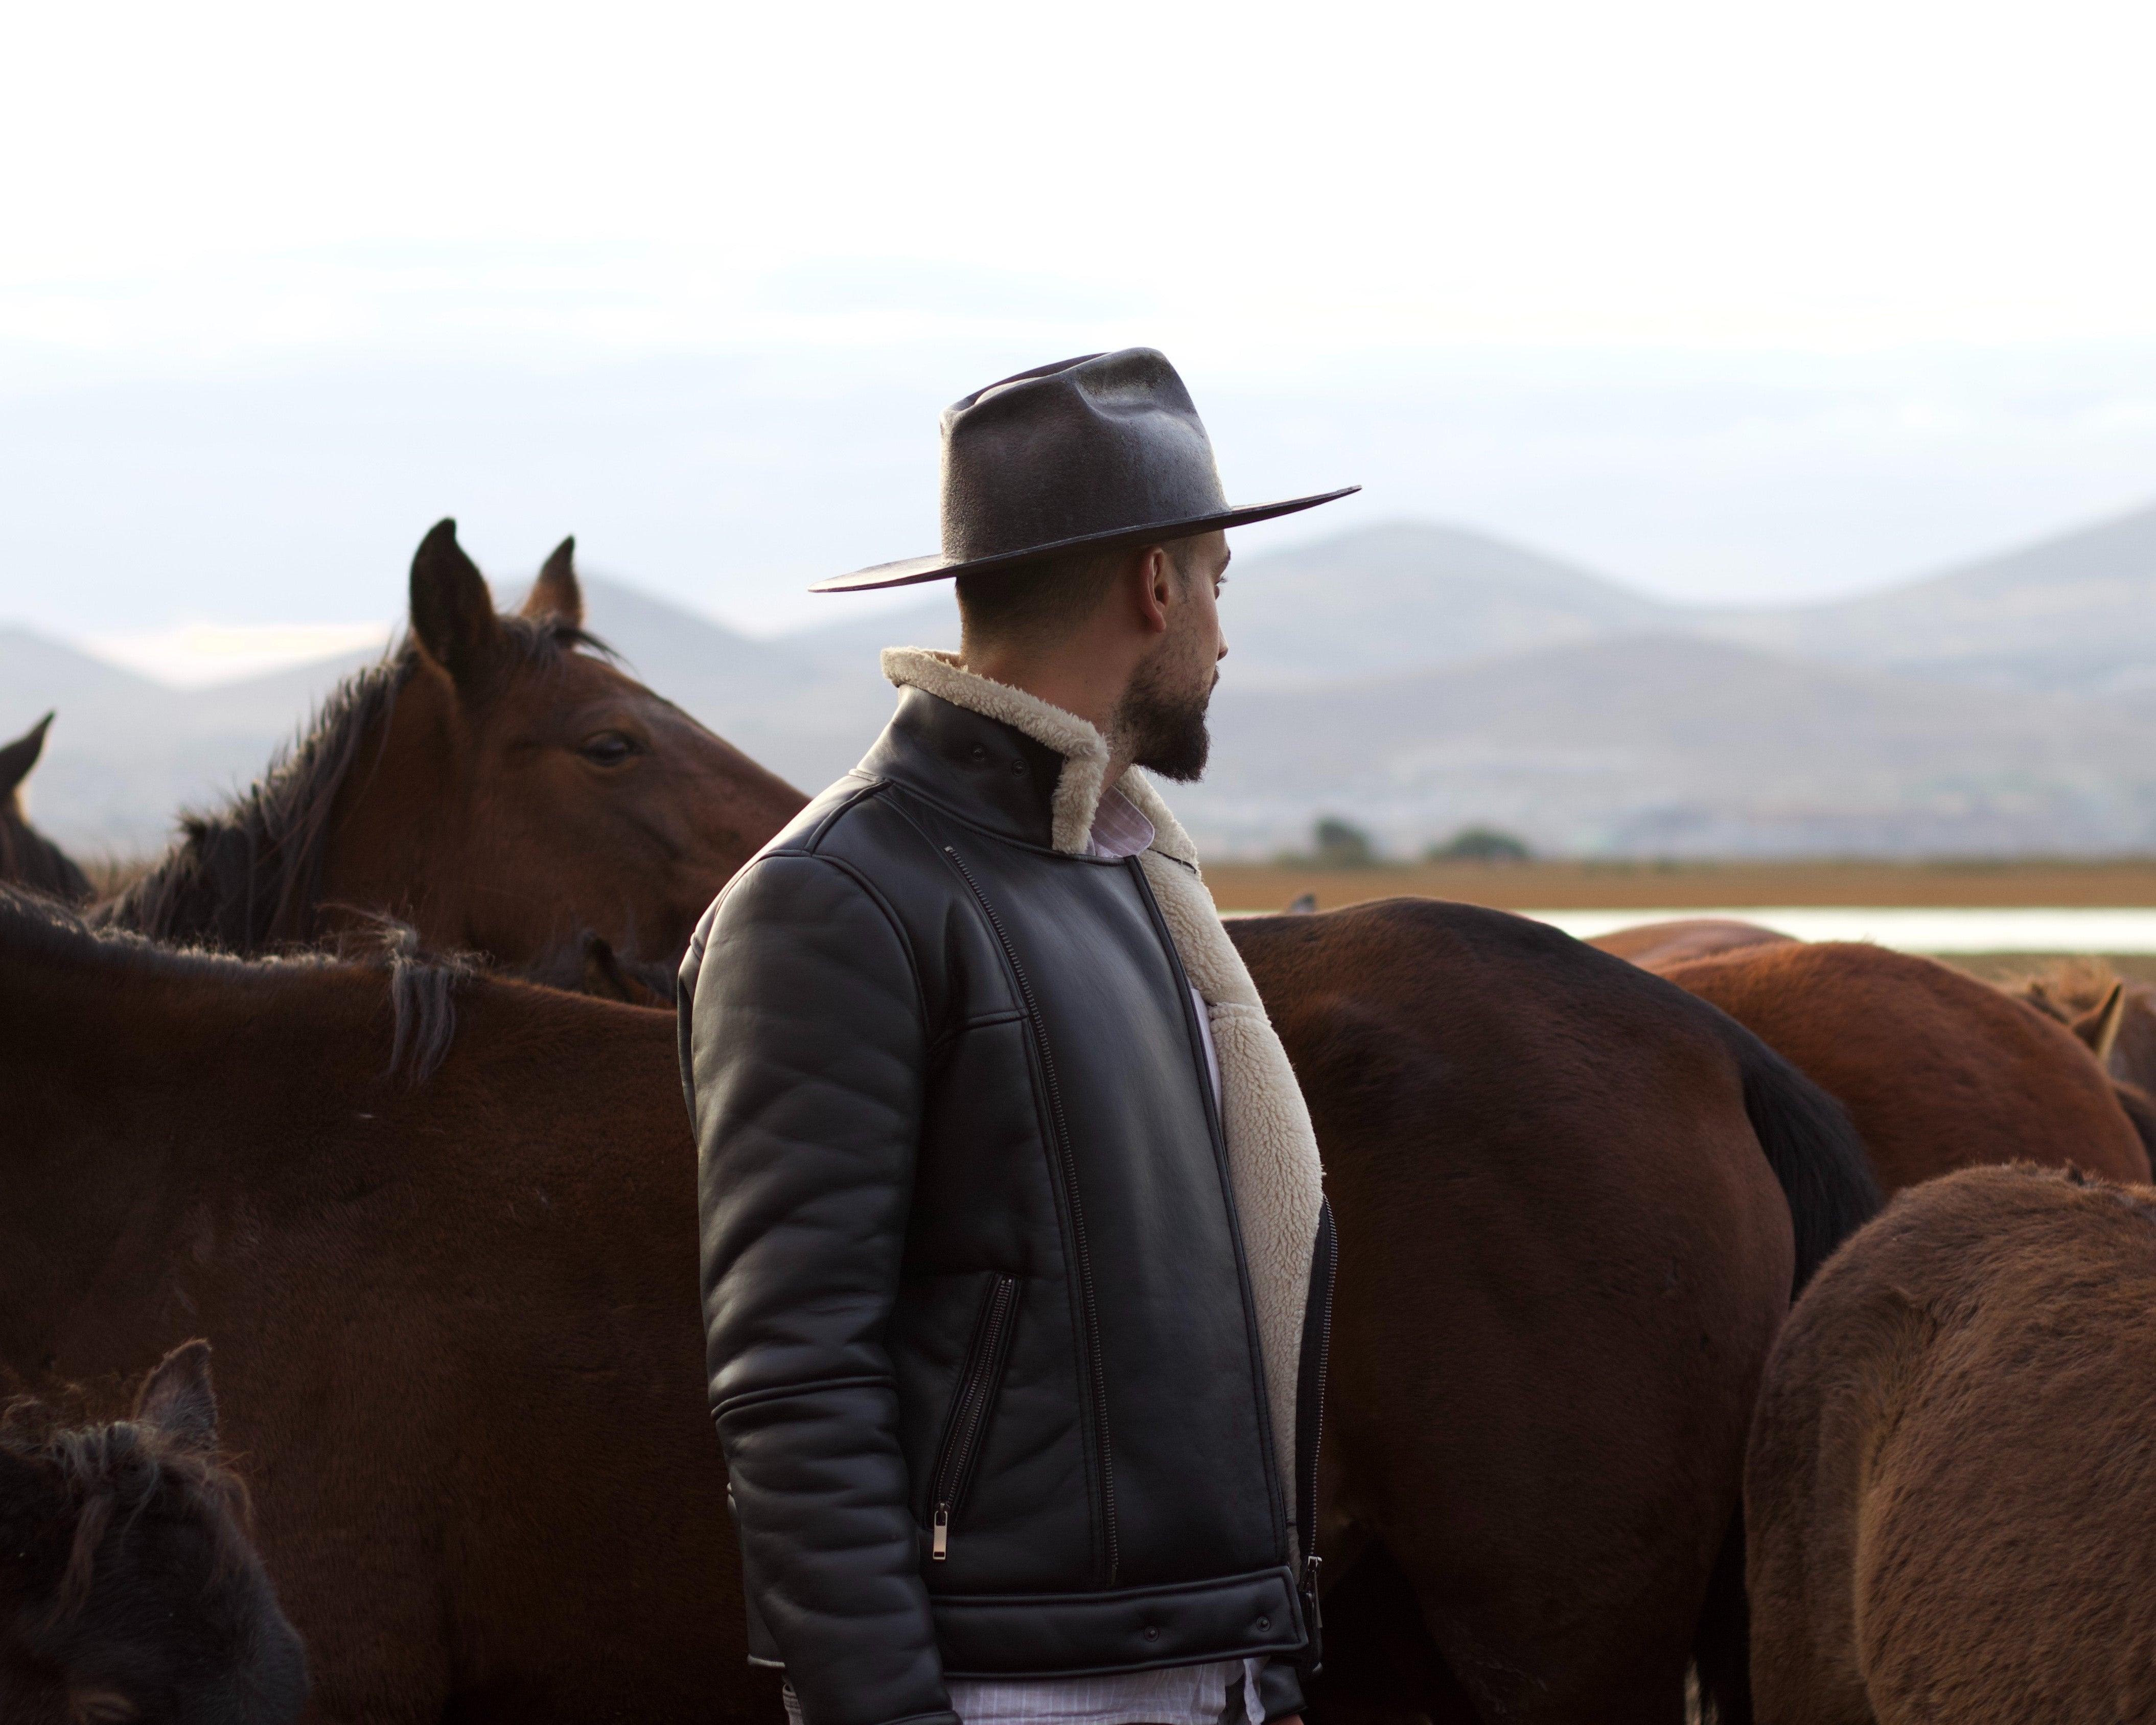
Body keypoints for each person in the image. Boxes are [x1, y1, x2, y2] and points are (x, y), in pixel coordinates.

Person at [679, 349, 1357, 1725]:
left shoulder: (1123, 882)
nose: (1222, 636)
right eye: (1219, 585)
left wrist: (1258, 1663)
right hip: (1013, 1690)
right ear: (1154, 584)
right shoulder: (833, 902)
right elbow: (795, 1379)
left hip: (1198, 1668)